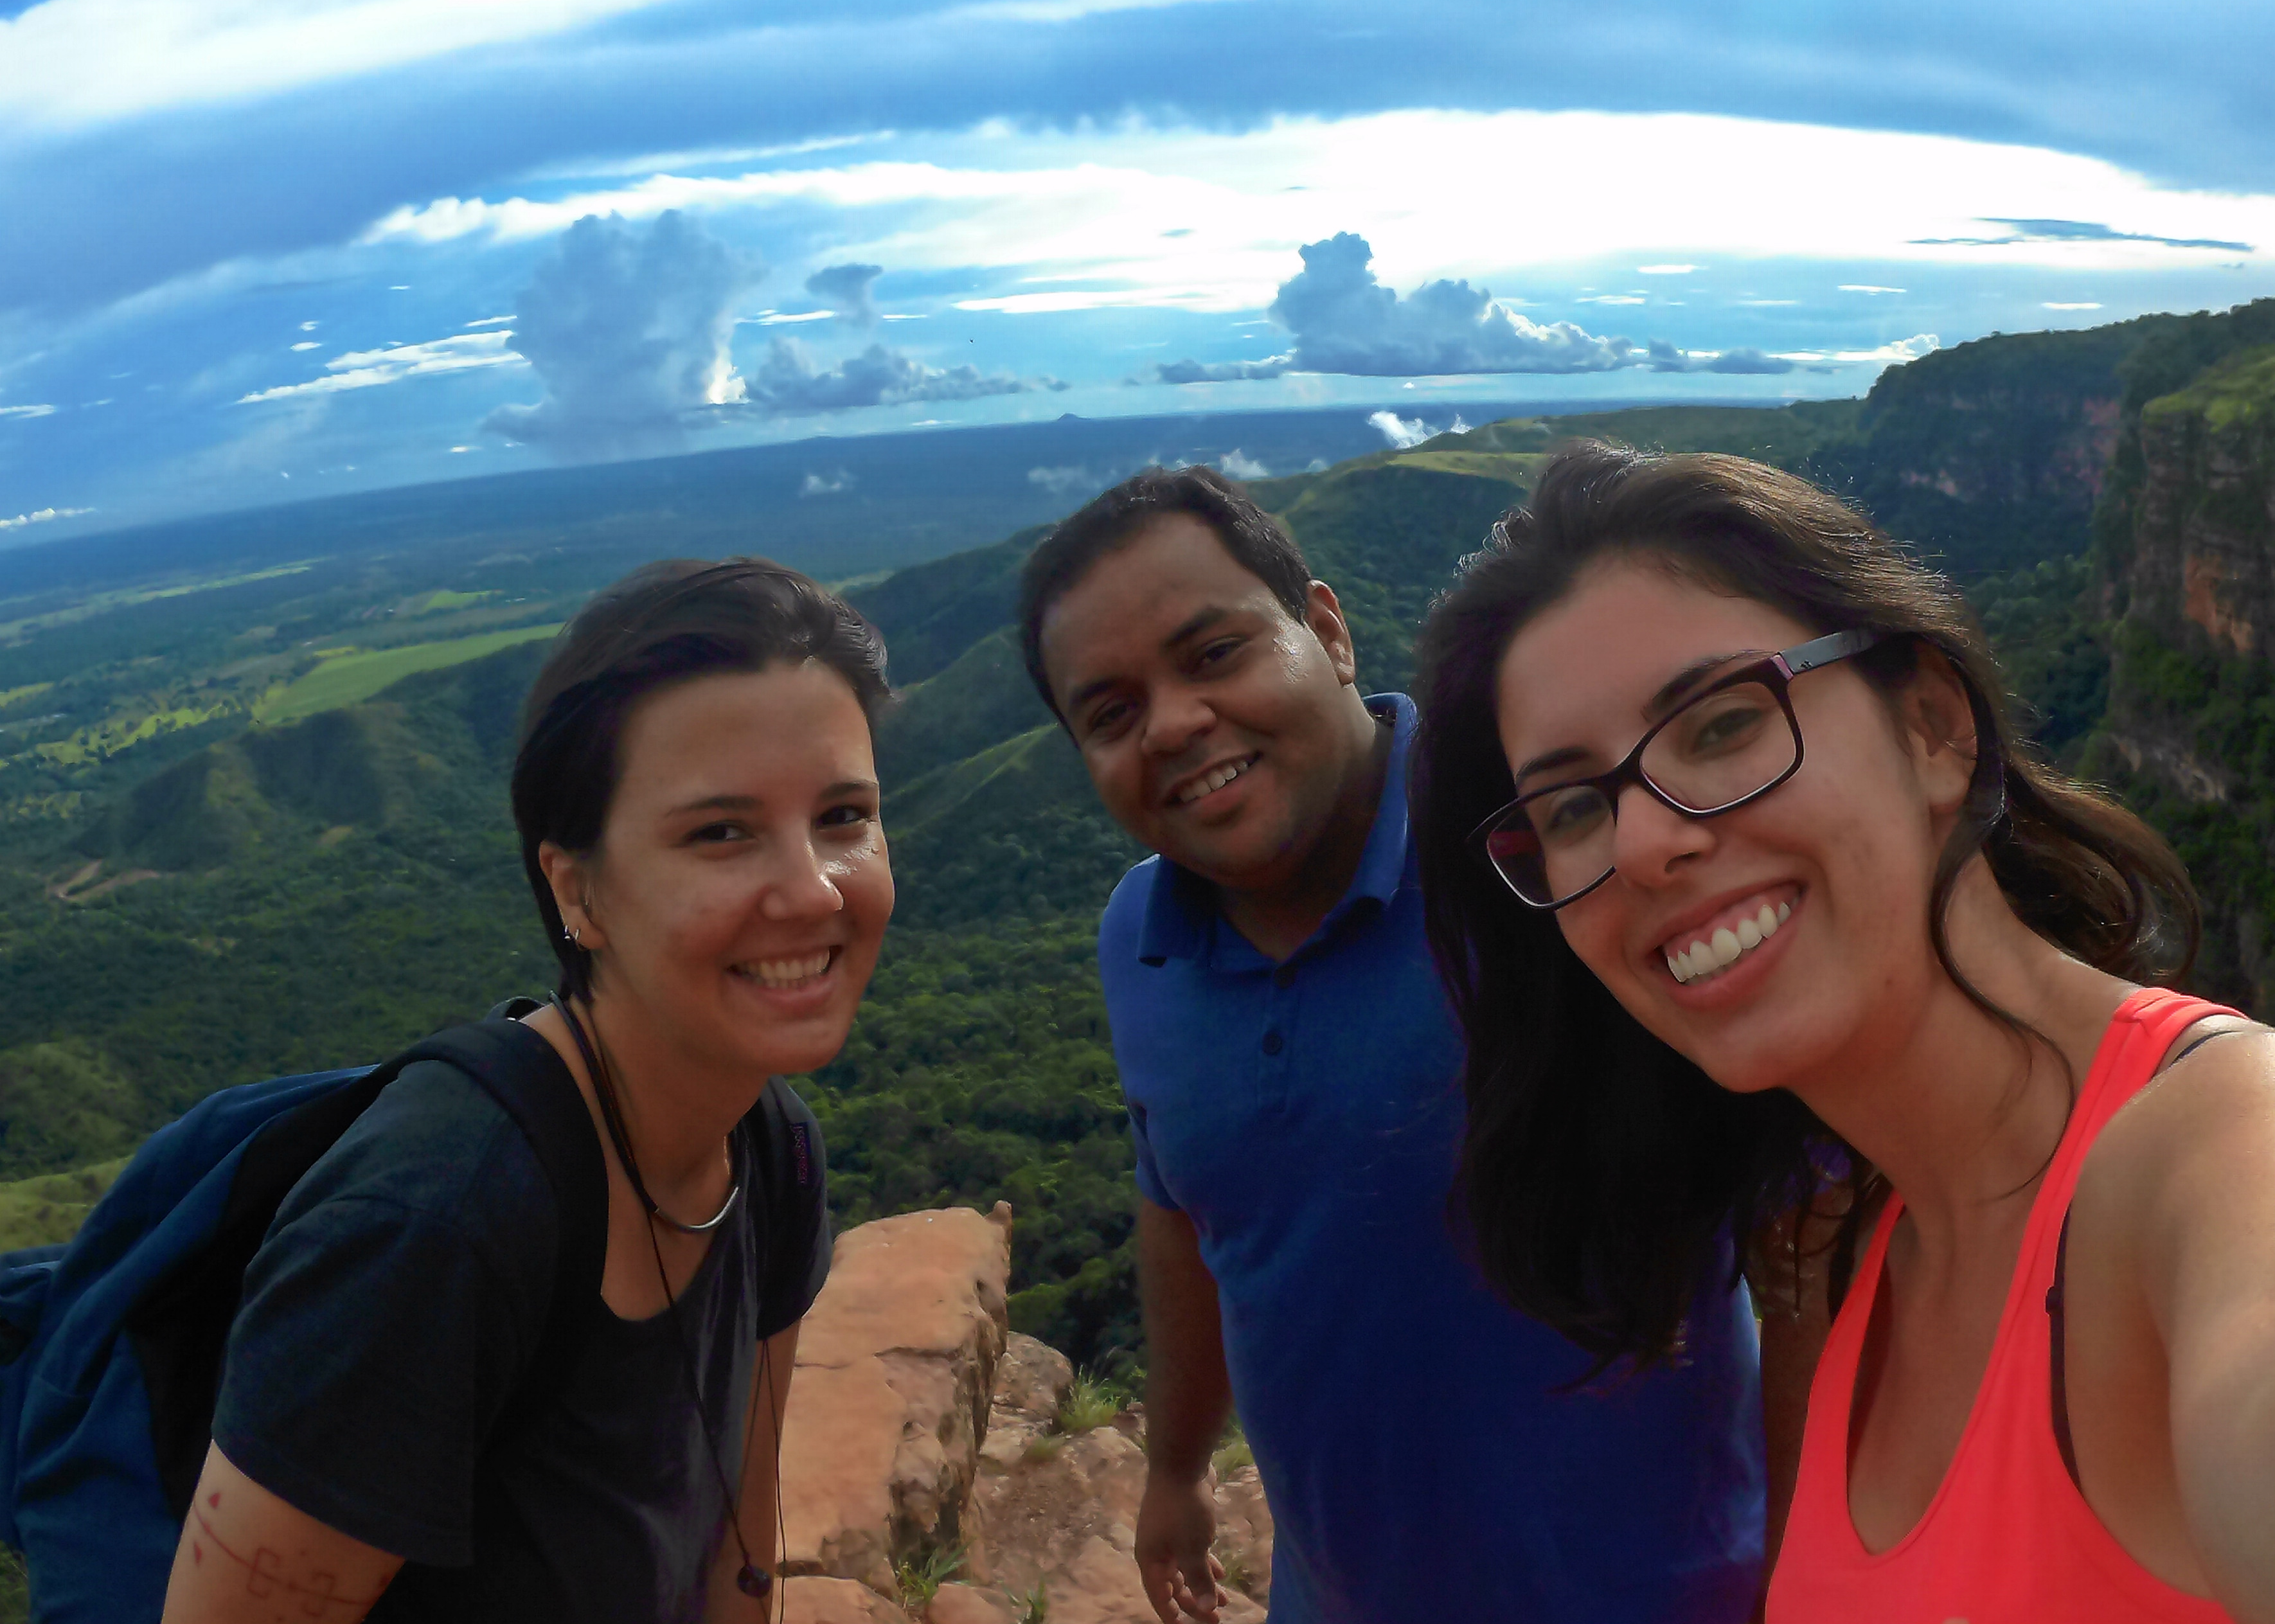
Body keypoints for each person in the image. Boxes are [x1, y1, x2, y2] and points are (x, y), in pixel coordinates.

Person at [1407, 440, 2275, 1621]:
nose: (1645, 843)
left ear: (1932, 726)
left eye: (1721, 724)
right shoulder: (1856, 1250)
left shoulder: (2215, 1155)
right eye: (1572, 808)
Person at [1018, 467, 1776, 1624]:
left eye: (1215, 652)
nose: (1172, 722)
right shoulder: (1139, 938)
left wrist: (1823, 1554)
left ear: (1327, 630)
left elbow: (1805, 1213)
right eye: (1112, 713)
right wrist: (1175, 1467)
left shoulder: (1541, 850)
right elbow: (1189, 1210)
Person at [159, 558, 895, 1623]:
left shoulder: (770, 1146)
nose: (814, 887)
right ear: (576, 889)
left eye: (843, 815)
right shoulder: (432, 1230)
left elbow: (737, 1556)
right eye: (721, 831)